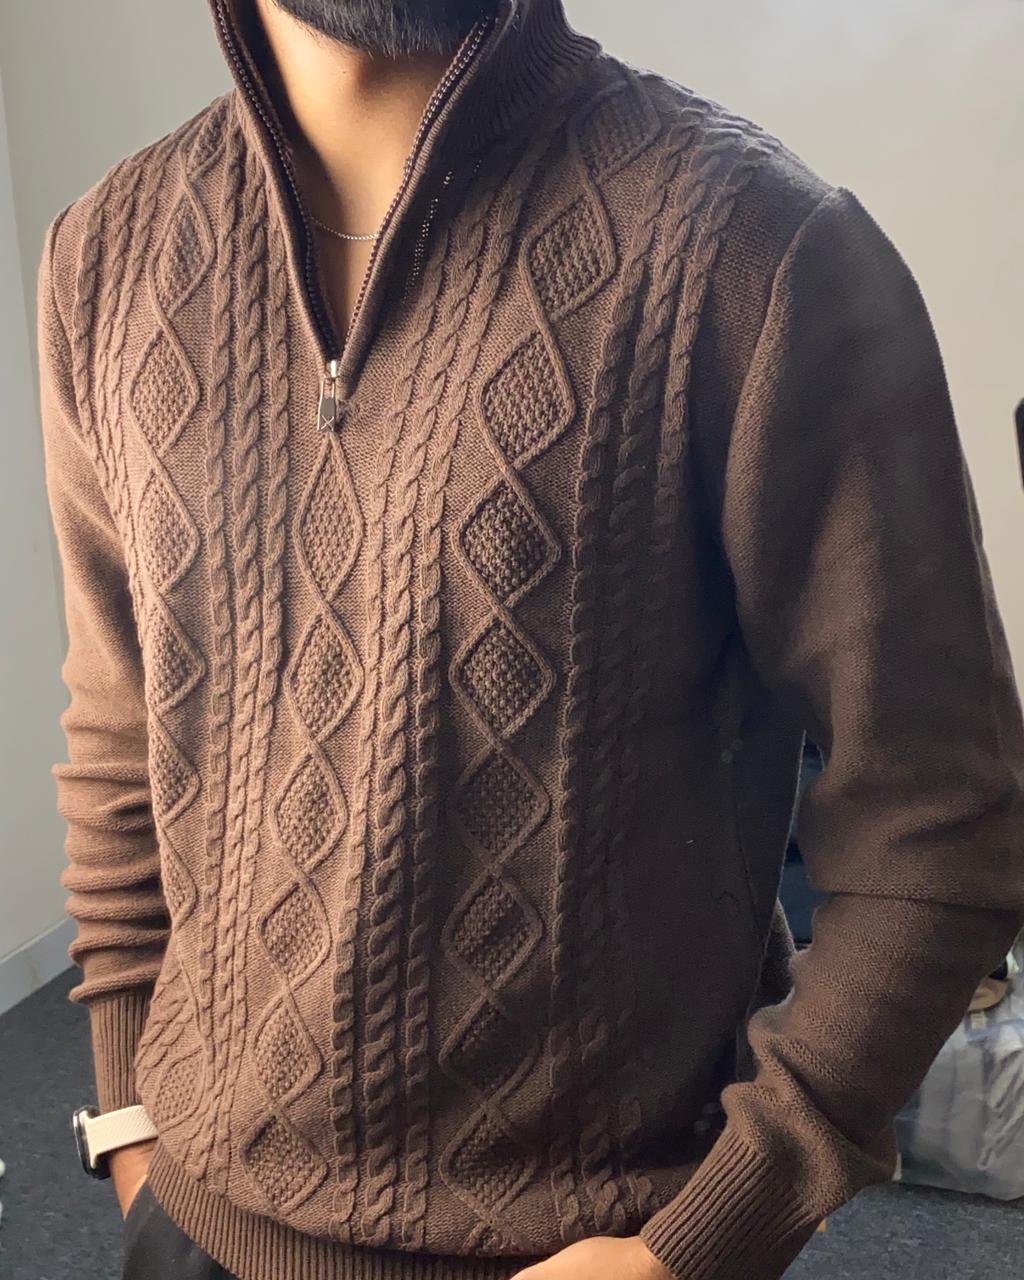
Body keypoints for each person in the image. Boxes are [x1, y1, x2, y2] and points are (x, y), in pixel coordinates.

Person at [37, 1, 1024, 1278]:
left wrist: (712, 1228)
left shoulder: (759, 250)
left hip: (593, 1245)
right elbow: (124, 736)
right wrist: (129, 1124)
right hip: (190, 1222)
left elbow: (943, 815)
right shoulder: (103, 254)